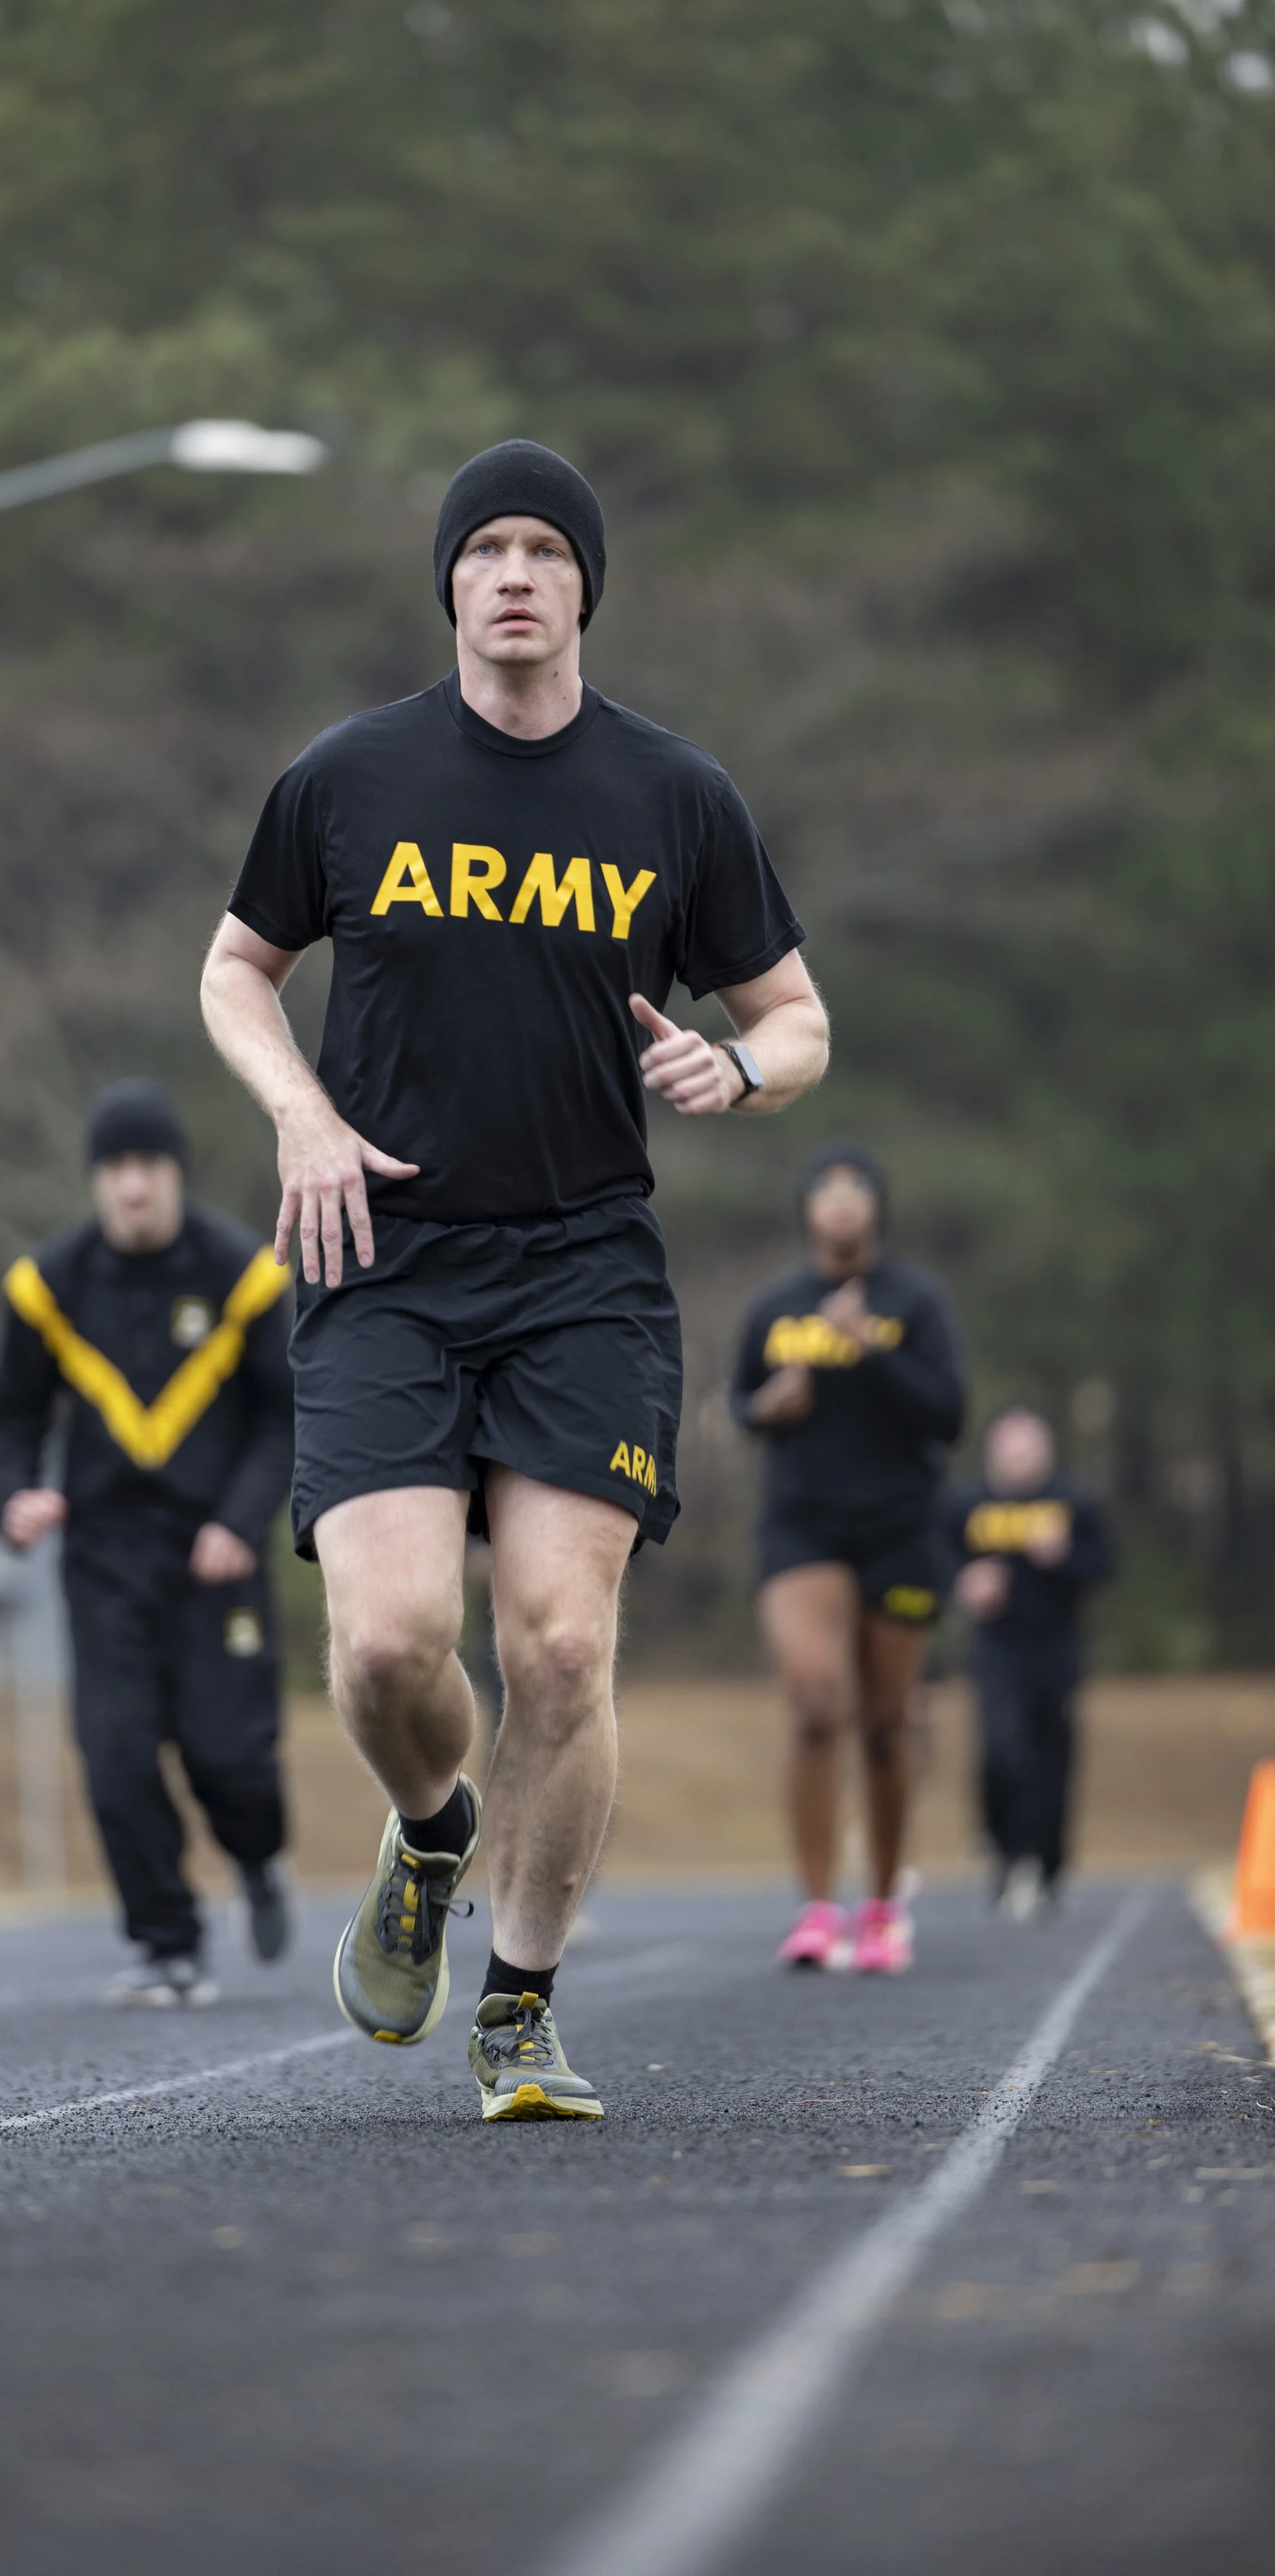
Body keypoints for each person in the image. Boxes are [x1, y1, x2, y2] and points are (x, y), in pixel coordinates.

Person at [200, 439, 828, 2119]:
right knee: (394, 1645)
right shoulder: (349, 777)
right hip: (382, 1258)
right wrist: (301, 1115)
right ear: (452, 585)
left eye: (548, 548)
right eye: (487, 549)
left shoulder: (671, 795)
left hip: (581, 1273)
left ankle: (521, 2005)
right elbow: (237, 968)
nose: (517, 574)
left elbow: (797, 1015)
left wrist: (741, 1072)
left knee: (557, 1650)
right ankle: (432, 1833)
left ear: (584, 587)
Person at [0, 1078, 295, 2005]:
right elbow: (5, 1419)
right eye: (113, 1169)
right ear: (94, 1181)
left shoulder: (245, 1275)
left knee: (226, 1755)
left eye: (147, 1167)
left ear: (176, 1175)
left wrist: (240, 1522)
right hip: (104, 1555)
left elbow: (286, 1417)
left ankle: (257, 1858)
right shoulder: (49, 1286)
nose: (131, 1187)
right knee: (116, 1756)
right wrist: (11, 1501)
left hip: (214, 1554)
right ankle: (168, 1945)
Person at [731, 1144, 966, 1975]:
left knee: (884, 1724)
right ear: (806, 1210)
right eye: (824, 1189)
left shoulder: (915, 1302)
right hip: (803, 1527)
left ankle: (880, 1906)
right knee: (812, 1703)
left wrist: (871, 1347)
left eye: (854, 1189)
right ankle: (816, 1908)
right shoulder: (775, 1305)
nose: (839, 1202)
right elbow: (740, 1407)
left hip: (900, 1528)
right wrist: (773, 1401)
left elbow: (948, 1415)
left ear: (875, 1208)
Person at [943, 1404, 1113, 1916]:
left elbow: (1104, 1565)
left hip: (1056, 1647)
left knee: (1052, 1756)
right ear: (993, 1451)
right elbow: (937, 1557)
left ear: (1046, 1452)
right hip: (996, 1648)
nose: (1019, 1461)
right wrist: (965, 1584)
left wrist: (1063, 1558)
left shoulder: (1072, 1501)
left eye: (1029, 1449)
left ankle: (1048, 1865)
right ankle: (1003, 1849)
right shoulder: (965, 1503)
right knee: (1002, 1750)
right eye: (1010, 1449)